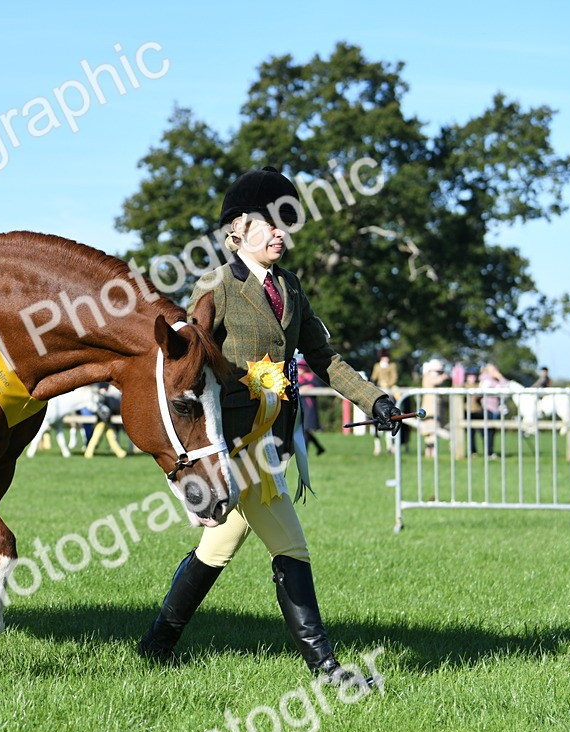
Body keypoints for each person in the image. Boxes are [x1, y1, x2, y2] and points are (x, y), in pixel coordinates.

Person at [139, 166, 401, 687]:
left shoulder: (292, 288)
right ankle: (327, 669)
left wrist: (377, 399)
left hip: (271, 445)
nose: (281, 233)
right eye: (270, 223)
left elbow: (324, 358)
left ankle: (156, 645)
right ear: (237, 231)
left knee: (220, 548)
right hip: (232, 449)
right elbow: (187, 366)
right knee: (288, 547)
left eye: (286, 224)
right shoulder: (217, 286)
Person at [369, 349, 399, 456]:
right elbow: (374, 377)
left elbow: (394, 377)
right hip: (380, 387)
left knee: (398, 396)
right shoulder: (377, 366)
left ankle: (399, 407)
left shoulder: (392, 365)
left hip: (390, 387)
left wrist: (388, 384)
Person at [420, 359, 449, 457]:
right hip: (430, 408)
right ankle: (430, 451)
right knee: (430, 431)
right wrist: (443, 377)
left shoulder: (431, 376)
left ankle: (431, 452)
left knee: (433, 431)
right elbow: (434, 381)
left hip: (435, 407)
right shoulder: (429, 377)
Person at [296, 358, 325, 455]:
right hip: (301, 406)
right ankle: (319, 447)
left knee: (306, 429)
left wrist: (308, 387)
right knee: (305, 430)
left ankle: (305, 452)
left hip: (310, 408)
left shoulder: (311, 378)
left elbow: (318, 386)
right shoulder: (297, 379)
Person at [480, 363, 509, 457]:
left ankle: (490, 451)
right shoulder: (486, 380)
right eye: (493, 370)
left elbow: (506, 387)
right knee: (488, 431)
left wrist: (500, 377)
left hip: (495, 409)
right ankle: (488, 452)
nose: (496, 372)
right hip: (487, 409)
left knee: (492, 431)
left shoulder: (495, 380)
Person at [464, 369, 484, 455]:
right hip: (467, 411)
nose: (472, 378)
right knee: (470, 434)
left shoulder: (479, 386)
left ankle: (488, 451)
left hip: (478, 411)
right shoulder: (464, 386)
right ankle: (472, 451)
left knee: (483, 432)